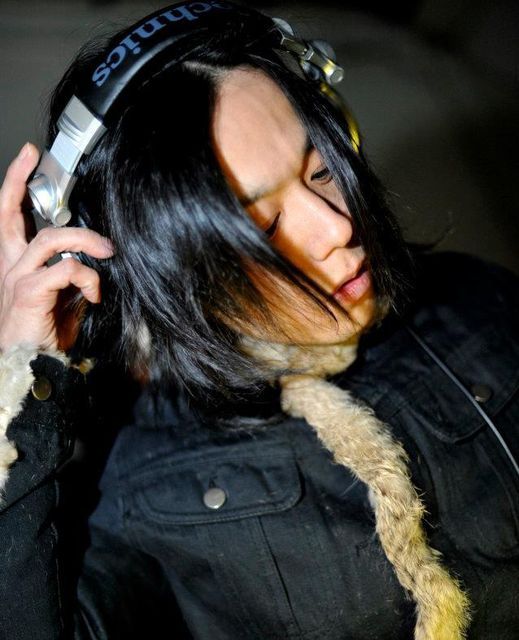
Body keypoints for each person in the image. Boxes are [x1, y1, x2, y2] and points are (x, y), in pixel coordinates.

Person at [0, 2, 518, 639]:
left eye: (321, 171)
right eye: (263, 226)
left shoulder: (476, 298)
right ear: (171, 277)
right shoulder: (135, 483)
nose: (338, 227)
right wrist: (19, 375)